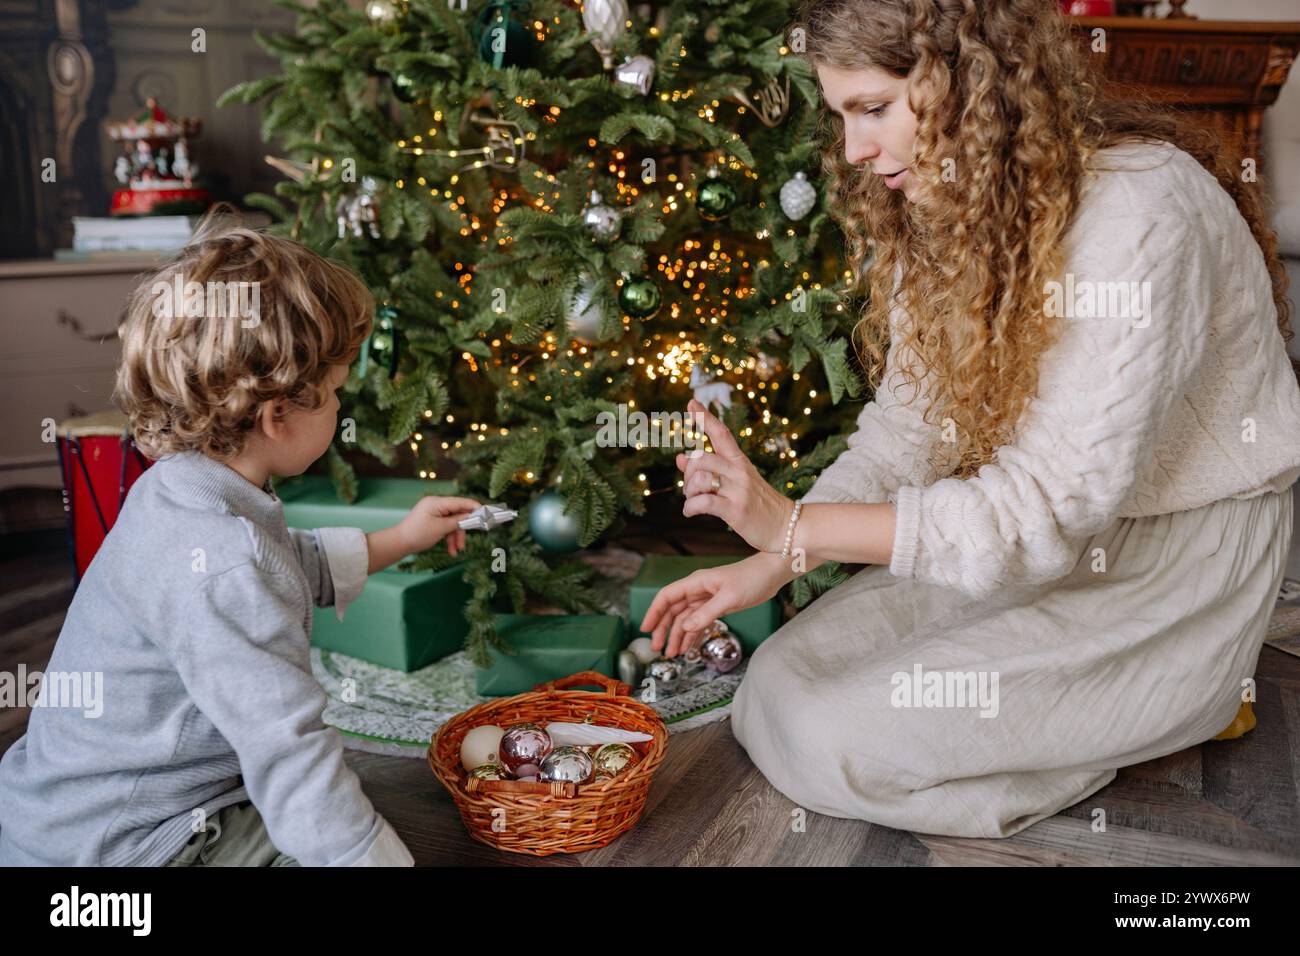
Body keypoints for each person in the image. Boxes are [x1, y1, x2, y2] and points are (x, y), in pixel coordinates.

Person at [640, 0, 1300, 838]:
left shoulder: (1144, 211)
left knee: (827, 734)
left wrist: (796, 520)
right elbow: (909, 431)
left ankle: (1173, 705)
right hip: (1040, 545)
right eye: (841, 116)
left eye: (872, 110)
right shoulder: (950, 202)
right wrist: (776, 558)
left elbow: (1043, 513)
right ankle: (1072, 721)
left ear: (965, 84)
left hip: (1174, 563)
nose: (853, 150)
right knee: (773, 686)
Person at [0, 208, 480, 865]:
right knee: (345, 826)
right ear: (279, 415)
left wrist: (402, 535)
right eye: (336, 390)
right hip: (127, 843)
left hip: (70, 809)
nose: (342, 407)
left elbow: (286, 563)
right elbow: (287, 747)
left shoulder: (183, 489)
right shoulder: (223, 559)